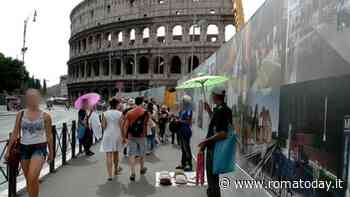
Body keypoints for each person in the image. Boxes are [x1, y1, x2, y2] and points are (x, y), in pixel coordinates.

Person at [5, 89, 54, 197]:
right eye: (30, 97)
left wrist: (51, 152)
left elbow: (49, 135)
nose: (32, 99)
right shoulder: (20, 114)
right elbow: (15, 133)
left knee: (32, 176)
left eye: (34, 97)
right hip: (24, 148)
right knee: (30, 180)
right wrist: (8, 150)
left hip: (39, 148)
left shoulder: (46, 116)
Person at [198, 86, 232, 197]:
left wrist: (206, 141)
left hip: (215, 149)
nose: (211, 96)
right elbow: (217, 123)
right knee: (213, 178)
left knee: (212, 179)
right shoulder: (223, 109)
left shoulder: (221, 111)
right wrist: (209, 110)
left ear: (216, 96)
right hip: (216, 148)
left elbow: (223, 133)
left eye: (212, 94)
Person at [122, 97, 149, 181]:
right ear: (141, 103)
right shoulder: (145, 112)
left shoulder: (129, 112)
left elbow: (126, 126)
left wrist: (124, 137)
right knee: (142, 153)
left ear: (135, 103)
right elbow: (147, 124)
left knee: (132, 154)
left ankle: (133, 172)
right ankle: (142, 168)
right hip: (142, 136)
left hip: (131, 136)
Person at [100, 98, 123, 181]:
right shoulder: (120, 113)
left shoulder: (105, 113)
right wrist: (124, 137)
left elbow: (103, 126)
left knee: (108, 155)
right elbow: (121, 126)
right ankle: (116, 170)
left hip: (108, 135)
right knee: (116, 154)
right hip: (117, 134)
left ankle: (109, 176)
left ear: (110, 104)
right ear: (117, 105)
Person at [176, 95, 193, 172]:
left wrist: (180, 121)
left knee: (187, 148)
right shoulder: (182, 110)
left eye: (183, 101)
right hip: (181, 130)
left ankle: (189, 164)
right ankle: (183, 164)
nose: (181, 102)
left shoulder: (189, 110)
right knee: (183, 148)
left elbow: (189, 121)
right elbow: (181, 119)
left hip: (186, 130)